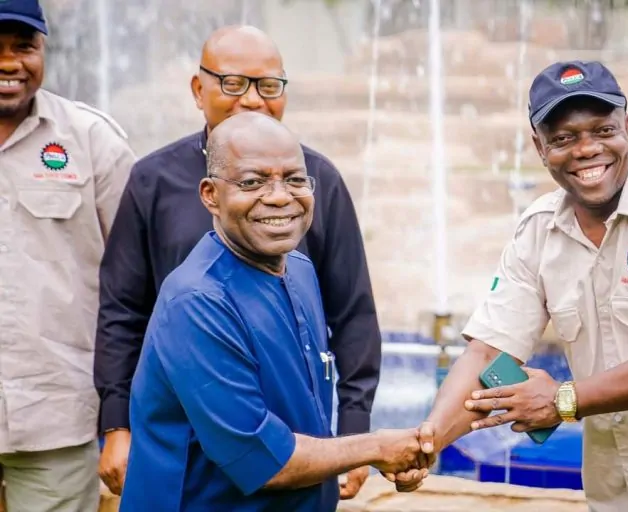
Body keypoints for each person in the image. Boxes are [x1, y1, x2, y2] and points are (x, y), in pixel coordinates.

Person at [393, 61, 628, 510]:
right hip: (619, 494)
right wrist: (427, 442)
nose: (587, 149)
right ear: (540, 147)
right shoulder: (538, 230)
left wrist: (562, 399)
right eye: (563, 138)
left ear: (627, 127)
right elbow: (488, 353)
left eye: (603, 130)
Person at [94, 25, 381, 498]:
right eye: (233, 83)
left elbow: (352, 312)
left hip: (293, 448)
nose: (251, 99)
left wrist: (353, 427)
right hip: (198, 446)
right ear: (198, 89)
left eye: (268, 85)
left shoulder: (317, 182)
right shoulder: (153, 183)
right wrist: (116, 422)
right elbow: (122, 310)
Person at [119, 112, 425, 511]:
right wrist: (377, 448)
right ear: (210, 195)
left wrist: (379, 452)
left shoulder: (298, 269)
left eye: (295, 179)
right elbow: (264, 462)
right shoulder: (197, 302)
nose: (280, 196)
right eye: (252, 182)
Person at [0, 1, 135, 510]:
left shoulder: (92, 140)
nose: (9, 63)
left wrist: (121, 415)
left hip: (56, 417)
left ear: (43, 49)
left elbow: (138, 282)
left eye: (24, 46)